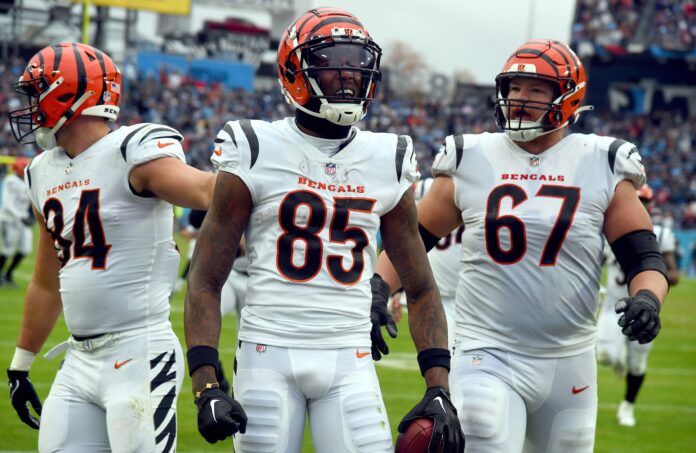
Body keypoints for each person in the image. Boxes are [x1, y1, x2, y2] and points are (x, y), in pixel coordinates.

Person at [184, 7, 464, 453]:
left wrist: (439, 388)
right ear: (296, 71)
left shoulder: (387, 156)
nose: (349, 76)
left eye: (357, 64)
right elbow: (205, 277)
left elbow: (421, 287)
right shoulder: (253, 145)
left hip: (349, 356)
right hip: (266, 353)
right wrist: (204, 381)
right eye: (333, 64)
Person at [372, 39, 669, 452]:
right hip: (486, 351)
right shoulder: (472, 155)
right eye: (513, 88)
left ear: (567, 96)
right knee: (487, 439)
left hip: (570, 359)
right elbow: (413, 242)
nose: (519, 99)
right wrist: (379, 286)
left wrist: (648, 299)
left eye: (535, 90)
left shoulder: (601, 160)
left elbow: (644, 259)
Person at [6, 42, 216, 452]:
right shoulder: (40, 171)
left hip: (138, 351)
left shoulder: (132, 150)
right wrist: (21, 364)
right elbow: (48, 283)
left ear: (68, 94)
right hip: (79, 359)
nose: (29, 105)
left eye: (37, 92)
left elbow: (206, 191)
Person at [597, 184, 679, 427]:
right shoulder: (607, 229)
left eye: (643, 202)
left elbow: (672, 272)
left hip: (644, 306)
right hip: (613, 304)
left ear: (649, 205)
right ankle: (618, 355)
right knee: (604, 355)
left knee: (637, 363)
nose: (638, 206)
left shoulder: (661, 234)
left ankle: (627, 406)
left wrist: (655, 279)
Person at [390, 177, 464, 350]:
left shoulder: (473, 186)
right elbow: (407, 236)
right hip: (437, 292)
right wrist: (400, 289)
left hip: (468, 294)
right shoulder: (429, 187)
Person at [0, 157, 33, 287]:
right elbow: (7, 204)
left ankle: (8, 274)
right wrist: (21, 215)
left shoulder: (27, 181)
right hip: (9, 220)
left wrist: (29, 215)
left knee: (26, 249)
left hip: (22, 220)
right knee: (8, 250)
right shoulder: (11, 181)